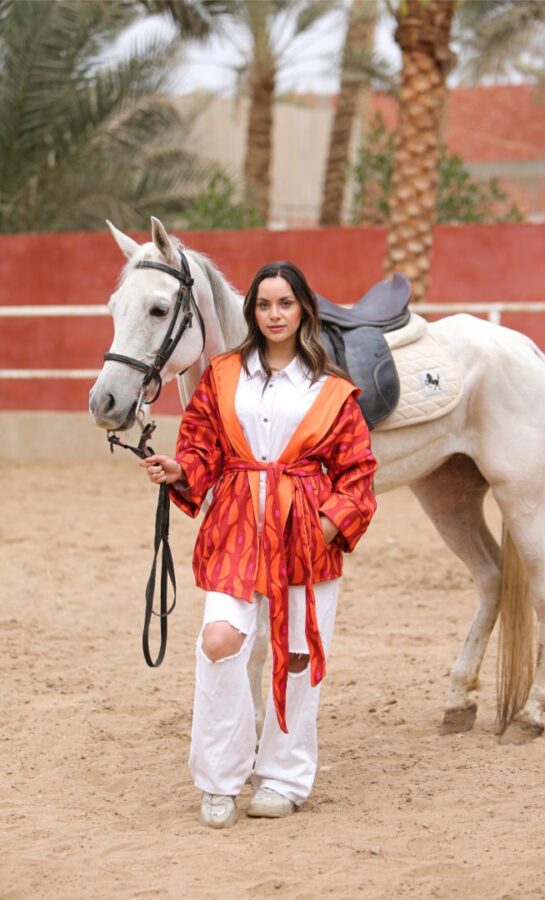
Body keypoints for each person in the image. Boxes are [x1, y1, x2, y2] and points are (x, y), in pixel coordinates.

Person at [141, 261, 377, 829]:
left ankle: (282, 778)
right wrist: (180, 469)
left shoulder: (331, 389)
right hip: (236, 528)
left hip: (305, 534)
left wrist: (324, 529)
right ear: (252, 311)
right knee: (220, 641)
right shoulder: (222, 375)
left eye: (285, 304)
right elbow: (202, 448)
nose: (274, 315)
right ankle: (220, 778)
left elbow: (358, 473)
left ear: (303, 310)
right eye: (265, 305)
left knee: (296, 658)